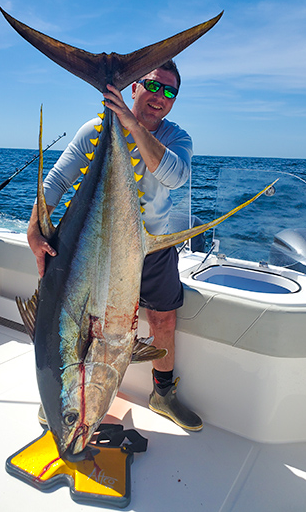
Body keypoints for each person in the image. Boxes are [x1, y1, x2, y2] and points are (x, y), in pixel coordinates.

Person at [27, 60, 203, 432]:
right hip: (91, 246)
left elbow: (173, 176)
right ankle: (61, 396)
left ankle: (162, 394)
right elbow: (57, 180)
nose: (161, 97)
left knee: (163, 319)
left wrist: (131, 124)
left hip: (150, 248)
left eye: (170, 92)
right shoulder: (93, 130)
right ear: (135, 86)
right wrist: (33, 228)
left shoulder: (177, 138)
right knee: (64, 319)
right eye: (154, 86)